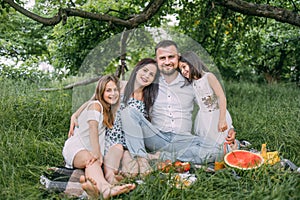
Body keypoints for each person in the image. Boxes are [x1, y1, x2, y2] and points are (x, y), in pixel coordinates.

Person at [120, 40, 237, 165]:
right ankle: (140, 157)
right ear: (157, 60)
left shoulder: (191, 82)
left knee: (222, 150)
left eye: (171, 57)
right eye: (162, 58)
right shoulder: (151, 81)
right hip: (157, 137)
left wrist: (229, 128)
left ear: (178, 57)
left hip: (183, 139)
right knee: (128, 112)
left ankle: (161, 157)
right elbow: (131, 86)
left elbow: (210, 106)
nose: (167, 61)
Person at [62, 75, 135, 199]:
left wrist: (74, 115)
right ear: (101, 92)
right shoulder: (96, 105)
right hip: (76, 148)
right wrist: (96, 152)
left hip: (89, 150)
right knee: (91, 159)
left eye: (115, 90)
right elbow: (93, 128)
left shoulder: (108, 109)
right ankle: (107, 189)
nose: (113, 93)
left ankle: (97, 189)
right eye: (108, 90)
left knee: (92, 162)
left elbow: (128, 84)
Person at [179, 51, 238, 152]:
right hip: (204, 119)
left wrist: (222, 120)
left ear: (192, 62)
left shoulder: (209, 77)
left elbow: (221, 97)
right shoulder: (192, 83)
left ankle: (234, 145)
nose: (183, 71)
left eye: (184, 67)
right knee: (208, 147)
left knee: (223, 144)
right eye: (181, 70)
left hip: (216, 115)